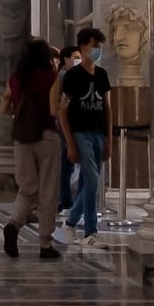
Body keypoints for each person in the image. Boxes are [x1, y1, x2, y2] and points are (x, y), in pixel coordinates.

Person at [3, 34, 63, 259]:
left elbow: (5, 105)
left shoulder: (16, 78)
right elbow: (53, 109)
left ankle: (13, 223)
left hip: (22, 137)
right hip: (47, 136)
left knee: (27, 188)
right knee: (48, 189)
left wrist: (19, 113)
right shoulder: (51, 77)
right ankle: (45, 243)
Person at [59, 23, 112, 237]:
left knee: (91, 181)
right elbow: (63, 110)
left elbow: (107, 107)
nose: (97, 50)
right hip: (80, 132)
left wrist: (109, 138)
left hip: (98, 131)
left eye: (99, 46)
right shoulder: (73, 76)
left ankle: (72, 220)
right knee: (92, 180)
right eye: (93, 46)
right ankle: (90, 231)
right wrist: (70, 142)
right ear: (82, 47)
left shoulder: (102, 74)